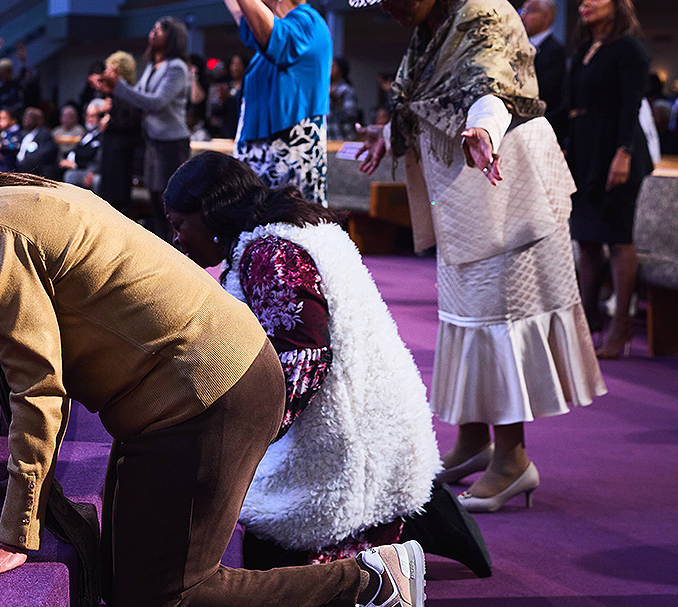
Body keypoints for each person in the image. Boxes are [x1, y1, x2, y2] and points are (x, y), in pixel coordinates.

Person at [0, 164, 429, 607]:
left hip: (207, 397)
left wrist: (14, 536)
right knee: (121, 576)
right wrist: (36, 504)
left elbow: (38, 390)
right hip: (200, 385)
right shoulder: (2, 198)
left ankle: (365, 586)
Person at [351, 0, 605, 512]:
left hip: (503, 176)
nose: (390, 8)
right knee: (463, 315)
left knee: (499, 318)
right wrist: (391, 133)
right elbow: (427, 90)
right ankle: (472, 440)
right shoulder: (437, 15)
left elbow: (492, 84)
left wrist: (482, 127)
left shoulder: (483, 13)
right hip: (467, 188)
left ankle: (512, 459)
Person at [164, 153, 492, 578]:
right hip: (382, 420)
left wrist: (240, 438)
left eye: (179, 224)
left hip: (345, 441)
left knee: (244, 516)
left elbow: (303, 361)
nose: (176, 239)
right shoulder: (294, 228)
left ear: (211, 213)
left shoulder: (270, 255)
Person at [187, 0, 332, 205]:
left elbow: (272, 35)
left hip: (288, 152)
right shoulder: (278, 26)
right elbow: (244, 14)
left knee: (286, 240)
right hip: (260, 155)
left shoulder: (308, 23)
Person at [566, 0, 653, 359]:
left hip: (618, 150)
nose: (586, 1)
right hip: (586, 152)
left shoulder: (628, 49)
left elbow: (630, 105)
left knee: (618, 239)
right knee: (586, 239)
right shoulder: (586, 49)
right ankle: (587, 322)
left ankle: (621, 331)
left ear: (617, 4)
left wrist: (625, 152)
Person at [90, 18, 190, 235]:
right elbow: (138, 98)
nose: (152, 31)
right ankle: (164, 250)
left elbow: (156, 102)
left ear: (172, 36)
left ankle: (177, 253)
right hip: (153, 140)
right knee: (155, 199)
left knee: (168, 202)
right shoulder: (153, 66)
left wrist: (120, 87)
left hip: (172, 142)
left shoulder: (177, 68)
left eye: (159, 29)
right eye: (152, 27)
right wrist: (112, 88)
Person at [94, 51, 143, 216]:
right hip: (112, 147)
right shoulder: (114, 93)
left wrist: (110, 121)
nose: (106, 73)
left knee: (117, 197)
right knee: (107, 196)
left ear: (117, 70)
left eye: (109, 69)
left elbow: (133, 121)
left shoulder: (129, 92)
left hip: (121, 150)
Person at [519, 0, 567, 141]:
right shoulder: (517, 46)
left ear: (548, 17)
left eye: (530, 11)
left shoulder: (555, 50)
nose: (523, 17)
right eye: (522, 11)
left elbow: (546, 92)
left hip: (542, 126)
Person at [327, 57, 361, 140]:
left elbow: (350, 115)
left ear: (340, 69)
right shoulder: (322, 89)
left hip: (343, 138)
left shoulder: (347, 90)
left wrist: (336, 100)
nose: (329, 68)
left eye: (333, 66)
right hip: (327, 139)